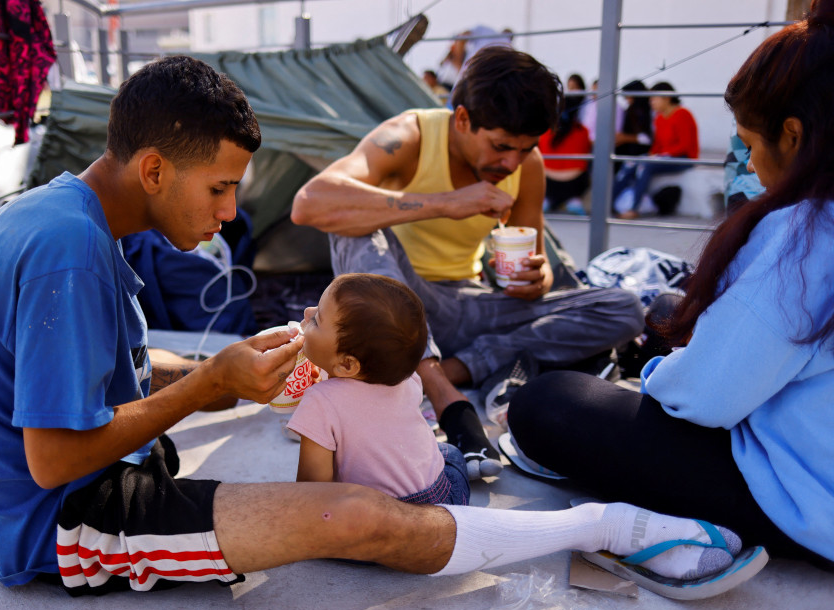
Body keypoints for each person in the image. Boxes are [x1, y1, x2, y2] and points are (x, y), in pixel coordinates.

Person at [0, 54, 756, 599]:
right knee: (357, 514)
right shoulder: (71, 254)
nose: (228, 216)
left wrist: (213, 378)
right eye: (220, 190)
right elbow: (51, 460)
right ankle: (608, 525)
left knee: (351, 495)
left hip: (71, 487)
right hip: (69, 525)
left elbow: (93, 371)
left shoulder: (65, 221)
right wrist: (203, 389)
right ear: (154, 169)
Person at [508, 0, 834, 571]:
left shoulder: (804, 236)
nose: (752, 166)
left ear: (794, 133)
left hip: (810, 497)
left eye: (752, 146)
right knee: (665, 309)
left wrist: (661, 377)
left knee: (546, 403)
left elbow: (700, 402)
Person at [291, 47, 644, 479]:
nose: (511, 162)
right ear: (462, 120)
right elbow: (310, 204)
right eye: (500, 146)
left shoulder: (525, 166)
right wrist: (446, 203)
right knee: (351, 226)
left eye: (524, 148)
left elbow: (535, 260)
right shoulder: (411, 136)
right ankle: (441, 391)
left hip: (466, 303)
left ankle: (455, 367)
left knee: (624, 308)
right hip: (394, 308)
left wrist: (539, 277)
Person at [290, 273, 469, 506]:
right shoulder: (405, 378)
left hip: (380, 517)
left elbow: (313, 493)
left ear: (346, 364)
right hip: (444, 500)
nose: (307, 312)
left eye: (317, 319)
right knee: (450, 454)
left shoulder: (319, 402)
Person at [613, 81, 699, 219]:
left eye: (654, 98)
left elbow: (685, 145)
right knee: (629, 163)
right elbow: (658, 144)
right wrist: (652, 154)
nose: (651, 102)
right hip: (663, 157)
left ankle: (634, 208)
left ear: (666, 98)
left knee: (644, 166)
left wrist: (659, 155)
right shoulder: (659, 118)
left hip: (682, 158)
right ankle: (610, 203)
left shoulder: (683, 114)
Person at [539, 73, 591, 214]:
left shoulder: (546, 132)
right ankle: (572, 201)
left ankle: (548, 201)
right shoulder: (583, 131)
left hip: (548, 183)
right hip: (575, 184)